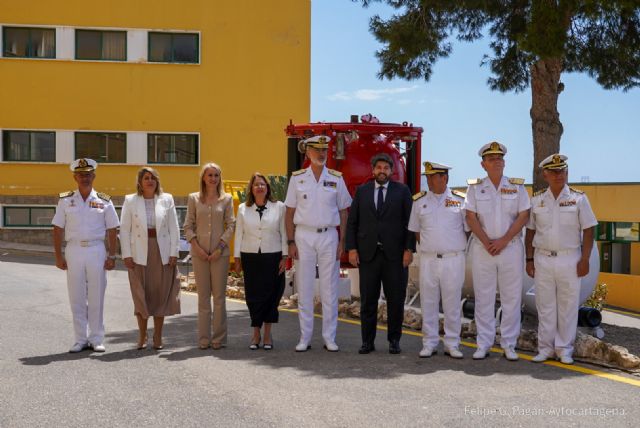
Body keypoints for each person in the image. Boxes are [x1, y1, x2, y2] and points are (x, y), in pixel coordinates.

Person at [525, 154, 597, 365]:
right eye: (554, 171)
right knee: (544, 305)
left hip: (569, 258)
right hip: (543, 258)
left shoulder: (579, 199)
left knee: (567, 305)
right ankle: (545, 348)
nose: (559, 175)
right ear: (545, 174)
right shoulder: (537, 200)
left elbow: (589, 230)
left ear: (567, 173)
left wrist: (585, 259)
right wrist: (529, 260)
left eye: (563, 171)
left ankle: (564, 348)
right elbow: (530, 232)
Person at [284, 135, 352, 352]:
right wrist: (291, 241)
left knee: (329, 289)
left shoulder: (336, 178)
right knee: (304, 287)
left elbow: (344, 211)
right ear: (308, 153)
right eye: (317, 150)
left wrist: (342, 241)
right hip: (303, 236)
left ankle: (329, 337)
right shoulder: (297, 178)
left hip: (329, 235)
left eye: (324, 150)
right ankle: (304, 338)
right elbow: (289, 212)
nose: (321, 154)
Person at [464, 142, 530, 361]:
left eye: (500, 158)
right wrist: (487, 242)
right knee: (483, 297)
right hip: (483, 249)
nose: (497, 161)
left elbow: (523, 215)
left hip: (510, 248)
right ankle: (483, 343)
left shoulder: (517, 186)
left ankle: (509, 344)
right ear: (483, 164)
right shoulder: (475, 188)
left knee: (511, 298)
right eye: (492, 159)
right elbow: (470, 217)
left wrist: (503, 241)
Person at [346, 153, 415, 355]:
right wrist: (352, 249)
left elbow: (410, 223)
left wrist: (408, 250)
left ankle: (394, 341)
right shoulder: (362, 191)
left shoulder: (402, 191)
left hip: (395, 257)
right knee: (368, 301)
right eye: (379, 168)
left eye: (386, 168)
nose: (382, 171)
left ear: (391, 171)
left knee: (395, 301)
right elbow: (353, 222)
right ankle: (367, 342)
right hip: (369, 255)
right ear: (373, 170)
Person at [52, 158, 119, 353]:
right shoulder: (66, 200)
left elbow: (112, 229)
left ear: (94, 176)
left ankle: (96, 338)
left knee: (97, 294)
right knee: (76, 294)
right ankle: (80, 338)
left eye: (88, 174)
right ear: (75, 177)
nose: (85, 178)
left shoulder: (104, 200)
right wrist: (58, 256)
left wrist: (112, 256)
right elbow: (57, 229)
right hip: (73, 250)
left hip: (96, 249)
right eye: (81, 175)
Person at [408, 162, 468, 358]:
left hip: (453, 259)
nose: (428, 180)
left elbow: (468, 231)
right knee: (428, 302)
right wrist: (431, 246)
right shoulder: (419, 201)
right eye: (427, 177)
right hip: (428, 260)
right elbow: (416, 231)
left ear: (445, 178)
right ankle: (429, 342)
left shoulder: (460, 201)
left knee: (452, 303)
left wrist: (449, 246)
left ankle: (452, 343)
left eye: (432, 177)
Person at [119, 167, 181, 350]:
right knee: (140, 294)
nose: (150, 181)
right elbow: (124, 229)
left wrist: (173, 252)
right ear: (140, 182)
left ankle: (158, 336)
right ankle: (142, 335)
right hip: (138, 253)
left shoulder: (166, 199)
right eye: (146, 178)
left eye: (153, 178)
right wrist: (127, 254)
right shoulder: (130, 200)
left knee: (159, 295)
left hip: (161, 251)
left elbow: (174, 228)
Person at [184, 163, 235, 350]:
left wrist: (220, 248)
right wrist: (197, 248)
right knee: (203, 298)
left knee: (219, 298)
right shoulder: (193, 199)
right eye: (210, 175)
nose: (213, 178)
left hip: (219, 255)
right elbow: (188, 226)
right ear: (203, 178)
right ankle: (204, 339)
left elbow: (231, 225)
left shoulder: (226, 199)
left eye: (216, 175)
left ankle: (218, 338)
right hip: (199, 255)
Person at [234, 173, 288, 350]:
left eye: (263, 184)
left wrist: (285, 257)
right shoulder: (243, 208)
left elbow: (283, 232)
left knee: (272, 296)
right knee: (253, 297)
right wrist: (237, 258)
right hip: (250, 257)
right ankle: (255, 333)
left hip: (273, 255)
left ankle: (267, 335)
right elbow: (238, 234)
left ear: (268, 188)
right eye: (256, 185)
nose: (259, 187)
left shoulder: (279, 207)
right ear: (251, 188)